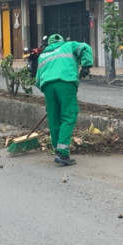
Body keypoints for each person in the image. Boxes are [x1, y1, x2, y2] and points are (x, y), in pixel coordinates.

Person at [35, 34, 93, 166]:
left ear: (48, 44)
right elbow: (85, 48)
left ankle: (57, 149)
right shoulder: (69, 45)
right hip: (66, 83)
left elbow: (37, 80)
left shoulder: (43, 55)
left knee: (54, 117)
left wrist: (49, 89)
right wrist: (86, 65)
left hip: (48, 87)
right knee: (69, 115)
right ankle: (62, 152)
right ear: (61, 41)